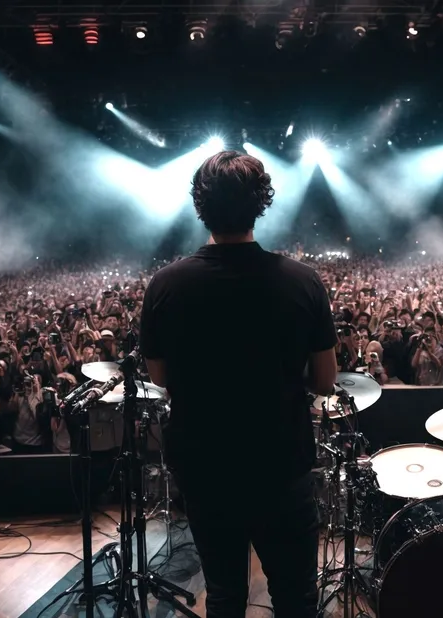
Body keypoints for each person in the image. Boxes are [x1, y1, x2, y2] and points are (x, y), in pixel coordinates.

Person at [140, 150, 337, 618]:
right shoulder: (303, 281)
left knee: (225, 595)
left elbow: (160, 376)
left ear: (200, 206)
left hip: (206, 467)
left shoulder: (166, 285)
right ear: (261, 203)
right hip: (281, 463)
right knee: (296, 599)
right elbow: (326, 379)